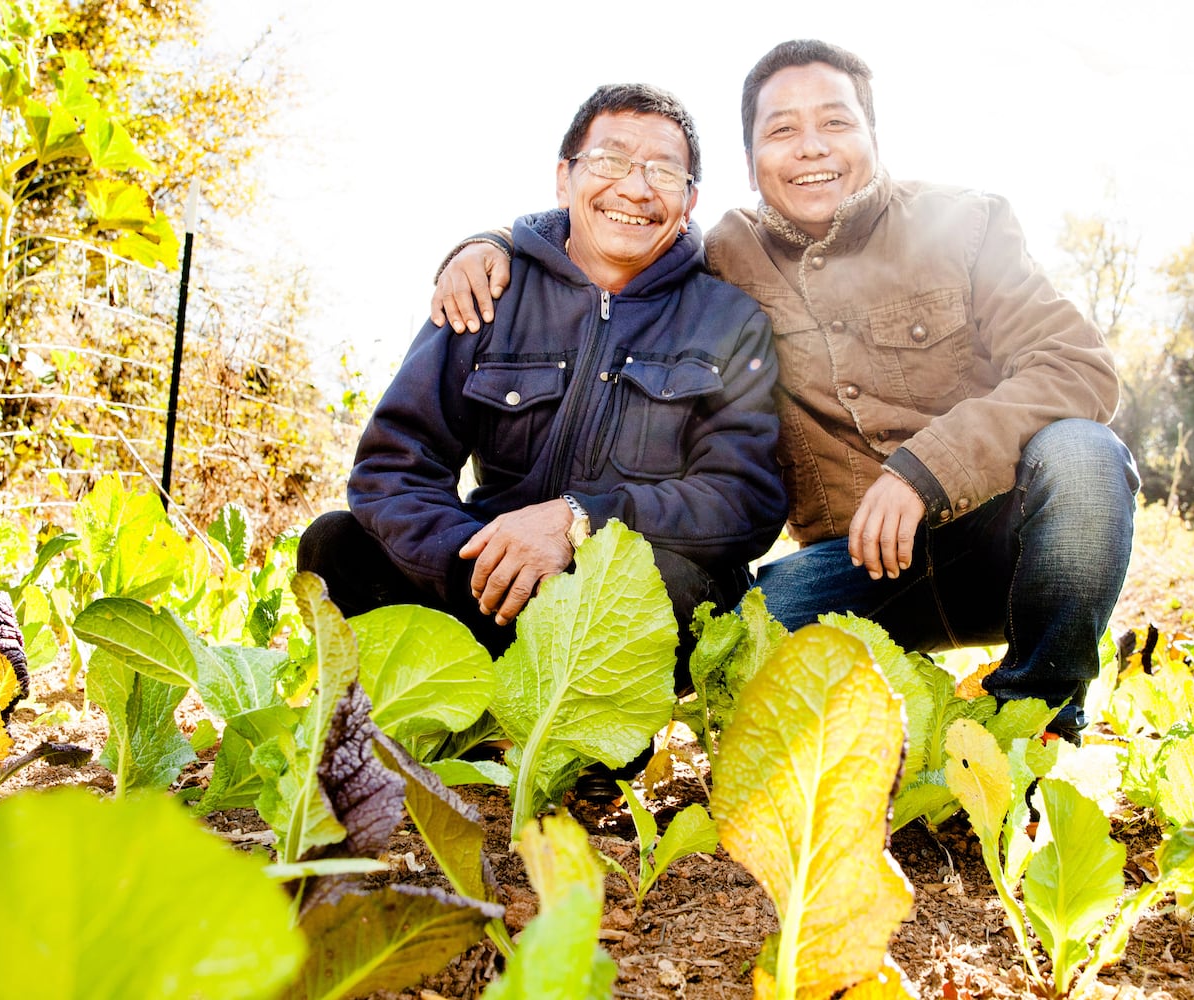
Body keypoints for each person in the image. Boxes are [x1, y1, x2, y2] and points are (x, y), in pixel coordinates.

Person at [429, 42, 1138, 743]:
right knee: (734, 657)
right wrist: (488, 242)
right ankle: (897, 706)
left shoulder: (970, 223)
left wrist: (927, 473)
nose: (810, 148)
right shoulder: (727, 258)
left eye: (835, 123)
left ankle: (1038, 717)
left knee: (1083, 453)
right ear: (750, 163)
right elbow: (623, 232)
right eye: (781, 130)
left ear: (872, 137)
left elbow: (1077, 366)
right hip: (856, 570)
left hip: (1003, 538)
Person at [301, 83, 786, 696]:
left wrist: (579, 522)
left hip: (624, 607)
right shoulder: (486, 289)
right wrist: (477, 567)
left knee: (675, 584)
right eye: (609, 161)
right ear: (564, 178)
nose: (635, 189)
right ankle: (444, 709)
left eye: (663, 172)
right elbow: (393, 467)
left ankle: (582, 744)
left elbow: (742, 499)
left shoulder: (729, 321)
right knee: (336, 544)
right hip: (483, 586)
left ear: (689, 201)